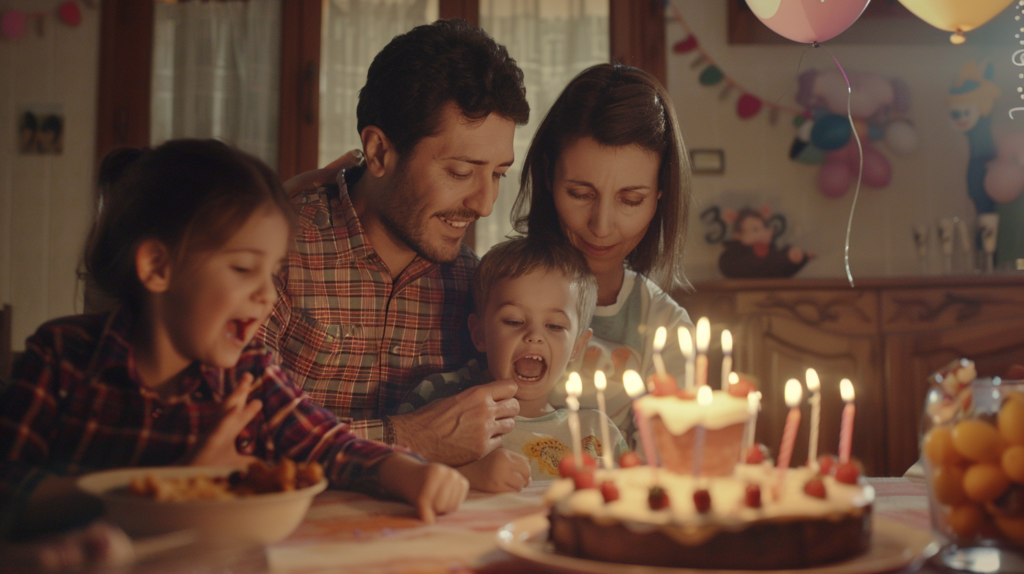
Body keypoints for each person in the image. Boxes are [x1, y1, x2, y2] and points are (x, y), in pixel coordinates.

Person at [0, 140, 468, 547]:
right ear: (158, 267)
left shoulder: (249, 375)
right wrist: (172, 480)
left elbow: (328, 445)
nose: (267, 294)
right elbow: (10, 491)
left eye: (272, 271)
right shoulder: (62, 356)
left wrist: (408, 473)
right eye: (244, 269)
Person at [260, 19, 530, 468]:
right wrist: (409, 439)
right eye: (461, 172)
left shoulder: (474, 284)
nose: (485, 204)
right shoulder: (275, 252)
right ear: (380, 152)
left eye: (499, 174)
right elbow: (230, 429)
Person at [511, 64, 693, 449]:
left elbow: (669, 465)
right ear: (548, 176)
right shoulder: (500, 292)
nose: (602, 226)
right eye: (580, 194)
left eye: (631, 200)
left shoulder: (665, 326)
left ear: (660, 194)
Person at [398, 238, 626, 491]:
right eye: (514, 321)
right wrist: (470, 475)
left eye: (554, 326)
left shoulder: (597, 432)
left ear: (577, 346)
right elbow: (390, 469)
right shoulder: (441, 400)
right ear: (480, 334)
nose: (534, 335)